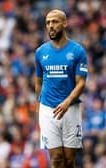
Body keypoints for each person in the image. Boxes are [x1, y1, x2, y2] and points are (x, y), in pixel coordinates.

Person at [35, 9, 88, 168]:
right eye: (48, 23)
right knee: (57, 159)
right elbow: (38, 82)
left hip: (70, 108)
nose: (51, 26)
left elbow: (81, 83)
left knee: (69, 159)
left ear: (64, 23)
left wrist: (67, 101)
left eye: (55, 22)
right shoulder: (40, 52)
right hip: (48, 109)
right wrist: (38, 107)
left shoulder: (77, 51)